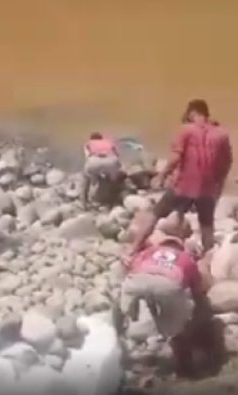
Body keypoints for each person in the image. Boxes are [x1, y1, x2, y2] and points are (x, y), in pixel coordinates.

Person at [129, 99, 233, 258]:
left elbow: (176, 158)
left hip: (183, 185)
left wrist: (161, 175)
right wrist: (219, 183)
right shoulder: (222, 134)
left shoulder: (185, 131)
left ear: (193, 113)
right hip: (207, 188)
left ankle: (134, 248)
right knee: (206, 225)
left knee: (155, 214)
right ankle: (208, 259)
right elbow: (226, 162)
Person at [121, 233, 214, 377]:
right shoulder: (187, 258)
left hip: (136, 281)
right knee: (178, 328)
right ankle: (184, 368)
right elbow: (197, 290)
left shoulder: (148, 252)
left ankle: (122, 341)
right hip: (169, 284)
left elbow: (130, 266)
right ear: (180, 248)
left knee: (127, 317)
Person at [81, 132, 123, 208]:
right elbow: (117, 155)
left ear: (91, 139)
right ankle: (113, 201)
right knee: (113, 179)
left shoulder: (88, 143)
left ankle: (84, 202)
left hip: (94, 161)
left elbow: (87, 156)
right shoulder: (109, 142)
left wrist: (94, 174)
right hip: (111, 161)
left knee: (86, 177)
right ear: (101, 138)